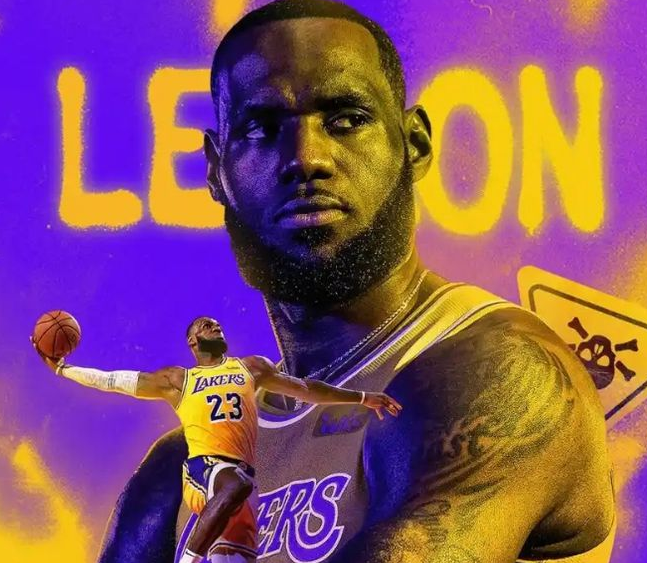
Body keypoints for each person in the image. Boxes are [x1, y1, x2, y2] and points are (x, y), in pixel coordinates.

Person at [97, 1, 616, 562]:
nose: (305, 159)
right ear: (216, 171)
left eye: (345, 119)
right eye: (263, 128)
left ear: (414, 145)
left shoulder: (504, 376)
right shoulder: (175, 475)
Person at [33, 316, 401, 563]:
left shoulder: (251, 368)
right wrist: (65, 370)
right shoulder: (179, 380)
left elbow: (306, 390)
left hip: (239, 485)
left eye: (218, 325)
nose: (216, 327)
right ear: (193, 341)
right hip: (205, 472)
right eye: (208, 326)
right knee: (235, 484)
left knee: (236, 545)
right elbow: (114, 380)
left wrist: (362, 398)